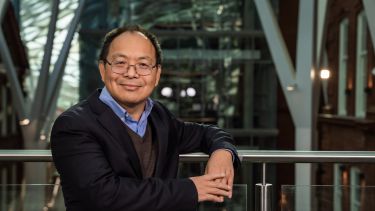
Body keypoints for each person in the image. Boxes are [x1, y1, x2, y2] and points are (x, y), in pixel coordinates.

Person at [51, 24, 240, 211]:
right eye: (120, 63)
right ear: (102, 69)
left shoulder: (159, 116)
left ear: (157, 74)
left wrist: (223, 153)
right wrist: (191, 189)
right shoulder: (73, 125)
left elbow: (208, 133)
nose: (131, 73)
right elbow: (104, 196)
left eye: (143, 65)